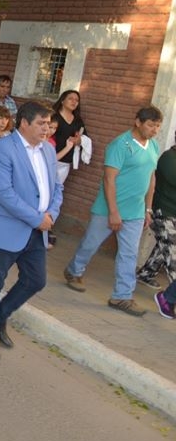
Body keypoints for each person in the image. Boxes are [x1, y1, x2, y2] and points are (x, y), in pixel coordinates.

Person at [0, 101, 62, 360]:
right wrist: (37, 219)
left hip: (37, 230)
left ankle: (0, 316)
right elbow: (4, 193)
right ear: (24, 123)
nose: (46, 129)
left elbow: (57, 187)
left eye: (48, 124)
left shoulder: (48, 150)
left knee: (36, 280)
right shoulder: (3, 148)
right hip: (7, 227)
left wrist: (51, 215)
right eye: (41, 123)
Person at [64, 107, 163, 316]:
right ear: (138, 122)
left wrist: (148, 209)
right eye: (151, 125)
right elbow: (109, 179)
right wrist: (114, 212)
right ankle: (74, 271)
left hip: (135, 212)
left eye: (158, 126)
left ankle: (121, 296)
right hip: (108, 209)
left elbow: (151, 178)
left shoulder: (154, 146)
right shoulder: (120, 144)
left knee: (129, 254)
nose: (155, 130)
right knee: (91, 243)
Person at [140, 135, 176, 291]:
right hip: (162, 212)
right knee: (172, 253)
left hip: (172, 213)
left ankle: (146, 274)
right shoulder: (169, 158)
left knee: (165, 246)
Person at [51, 90, 85, 185]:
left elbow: (83, 137)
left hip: (65, 162)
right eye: (70, 99)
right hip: (50, 158)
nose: (74, 102)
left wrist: (78, 140)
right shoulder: (53, 116)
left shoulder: (78, 120)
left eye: (77, 100)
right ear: (62, 100)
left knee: (57, 189)